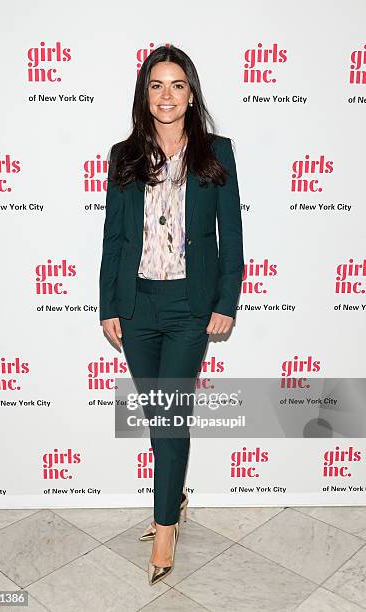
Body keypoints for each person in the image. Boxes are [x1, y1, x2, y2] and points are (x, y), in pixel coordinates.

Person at [99, 43, 244, 586]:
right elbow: (113, 237)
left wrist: (225, 302)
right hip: (136, 304)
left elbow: (231, 233)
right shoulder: (124, 155)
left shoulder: (217, 152)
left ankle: (164, 526)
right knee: (159, 414)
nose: (167, 96)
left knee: (170, 414)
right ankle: (175, 500)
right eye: (156, 85)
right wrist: (109, 304)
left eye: (177, 85)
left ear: (191, 93)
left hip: (189, 305)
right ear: (145, 94)